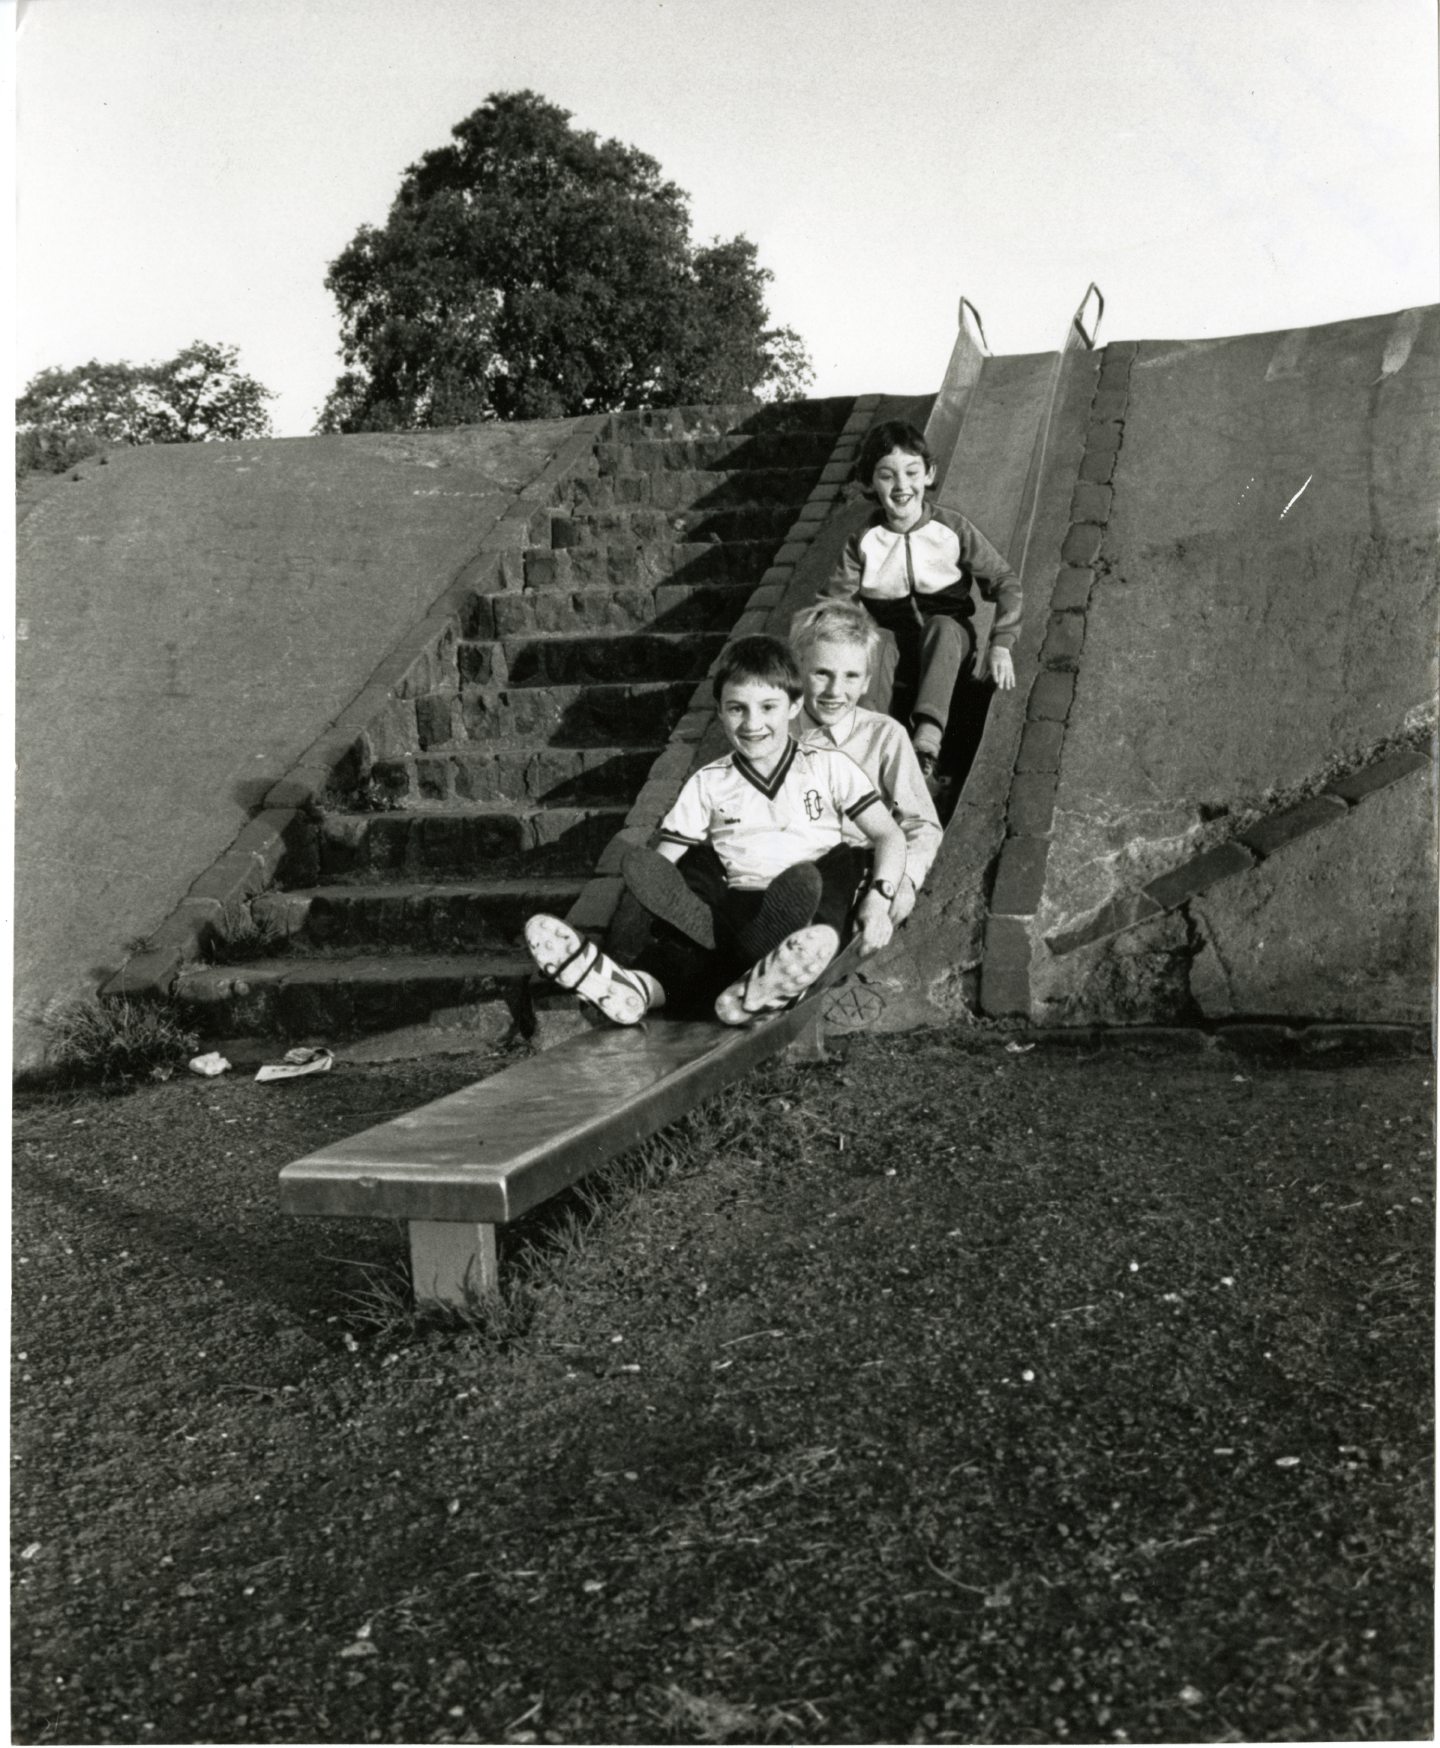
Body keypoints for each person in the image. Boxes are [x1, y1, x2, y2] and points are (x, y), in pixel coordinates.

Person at [523, 634, 906, 1028]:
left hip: (808, 908)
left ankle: (769, 972)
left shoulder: (828, 766)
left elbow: (889, 835)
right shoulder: (710, 781)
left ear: (794, 706)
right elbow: (660, 867)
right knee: (696, 873)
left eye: (768, 707)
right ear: (720, 713)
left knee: (842, 862)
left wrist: (880, 898)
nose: (753, 723)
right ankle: (638, 986)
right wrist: (663, 900)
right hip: (736, 906)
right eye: (737, 709)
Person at [818, 420, 1021, 779]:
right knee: (873, 640)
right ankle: (869, 747)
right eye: (886, 476)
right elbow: (834, 605)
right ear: (869, 482)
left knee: (942, 627)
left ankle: (927, 740)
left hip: (949, 642)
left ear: (929, 474)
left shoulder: (951, 528)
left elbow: (1004, 581)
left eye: (912, 472)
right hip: (894, 644)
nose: (901, 486)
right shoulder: (863, 540)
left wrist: (1001, 642)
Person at [790, 601, 942, 926]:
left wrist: (904, 880)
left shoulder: (884, 736)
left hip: (851, 869)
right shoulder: (776, 732)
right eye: (821, 674)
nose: (835, 690)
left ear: (865, 682)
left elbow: (921, 823)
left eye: (851, 677)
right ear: (797, 671)